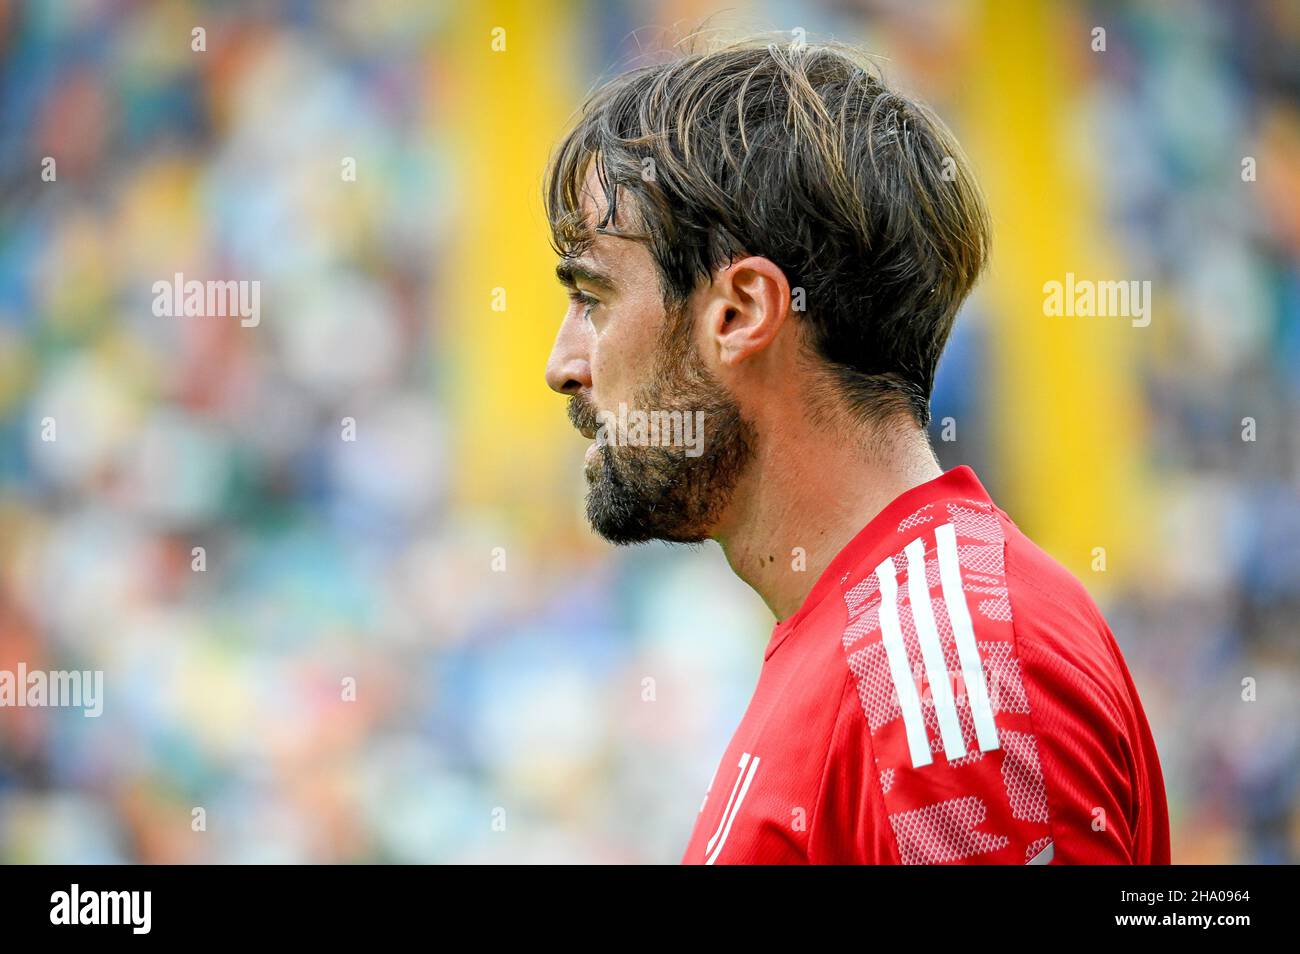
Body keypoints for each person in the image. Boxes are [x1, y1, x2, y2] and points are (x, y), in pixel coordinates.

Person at [542, 38, 1170, 864]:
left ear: (739, 312)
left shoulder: (942, 669)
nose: (563, 366)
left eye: (592, 297)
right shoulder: (889, 642)